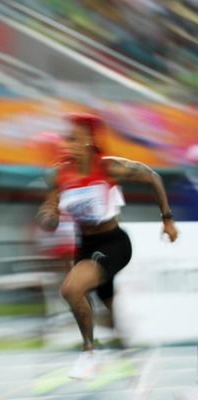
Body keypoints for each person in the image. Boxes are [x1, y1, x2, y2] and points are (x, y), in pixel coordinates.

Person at [36, 113, 178, 379]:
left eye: (74, 140)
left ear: (89, 141)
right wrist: (49, 217)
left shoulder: (110, 167)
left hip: (114, 243)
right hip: (85, 246)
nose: (68, 145)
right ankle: (129, 356)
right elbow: (48, 214)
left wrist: (167, 220)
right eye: (67, 139)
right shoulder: (58, 174)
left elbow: (153, 177)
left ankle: (89, 353)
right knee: (110, 316)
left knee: (71, 289)